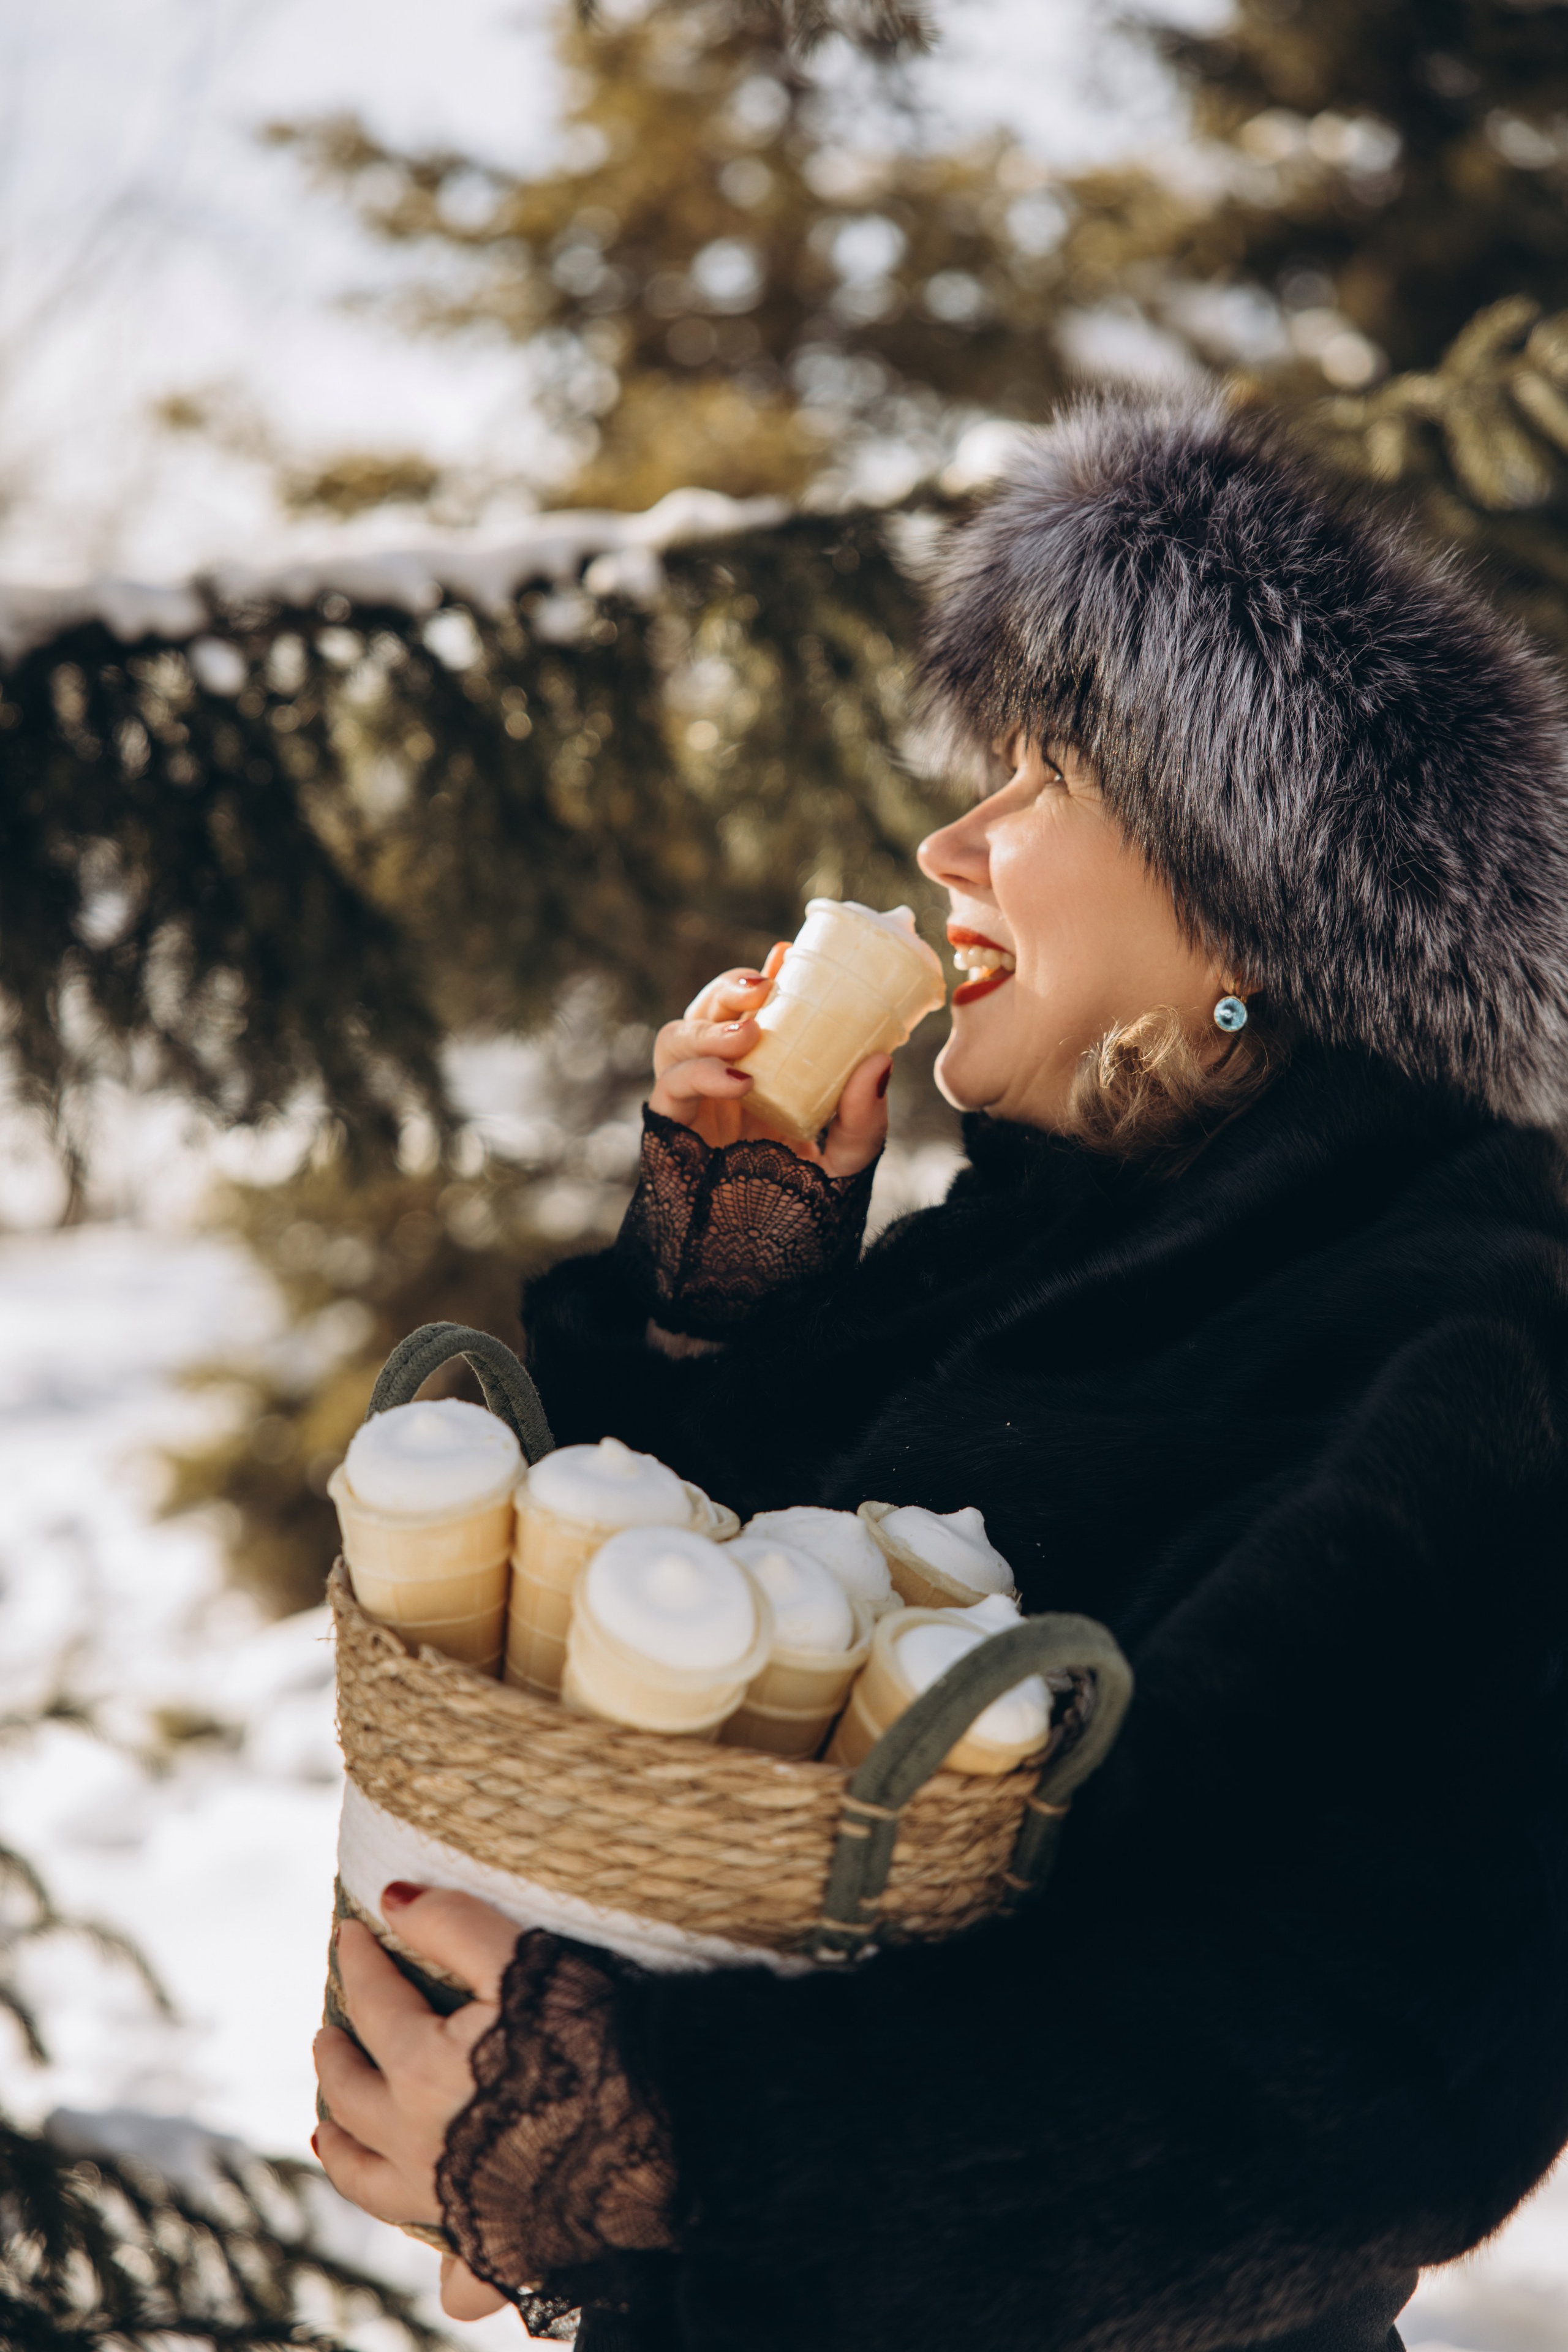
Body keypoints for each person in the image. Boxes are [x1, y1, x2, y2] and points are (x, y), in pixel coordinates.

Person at [312, 395, 1568, 2352]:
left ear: (1246, 895)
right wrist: (727, 1276)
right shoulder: (1032, 1242)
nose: (946, 844)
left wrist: (673, 2140)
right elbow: (706, 1677)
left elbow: (1369, 2058)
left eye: (1042, 780)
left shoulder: (1466, 1333)